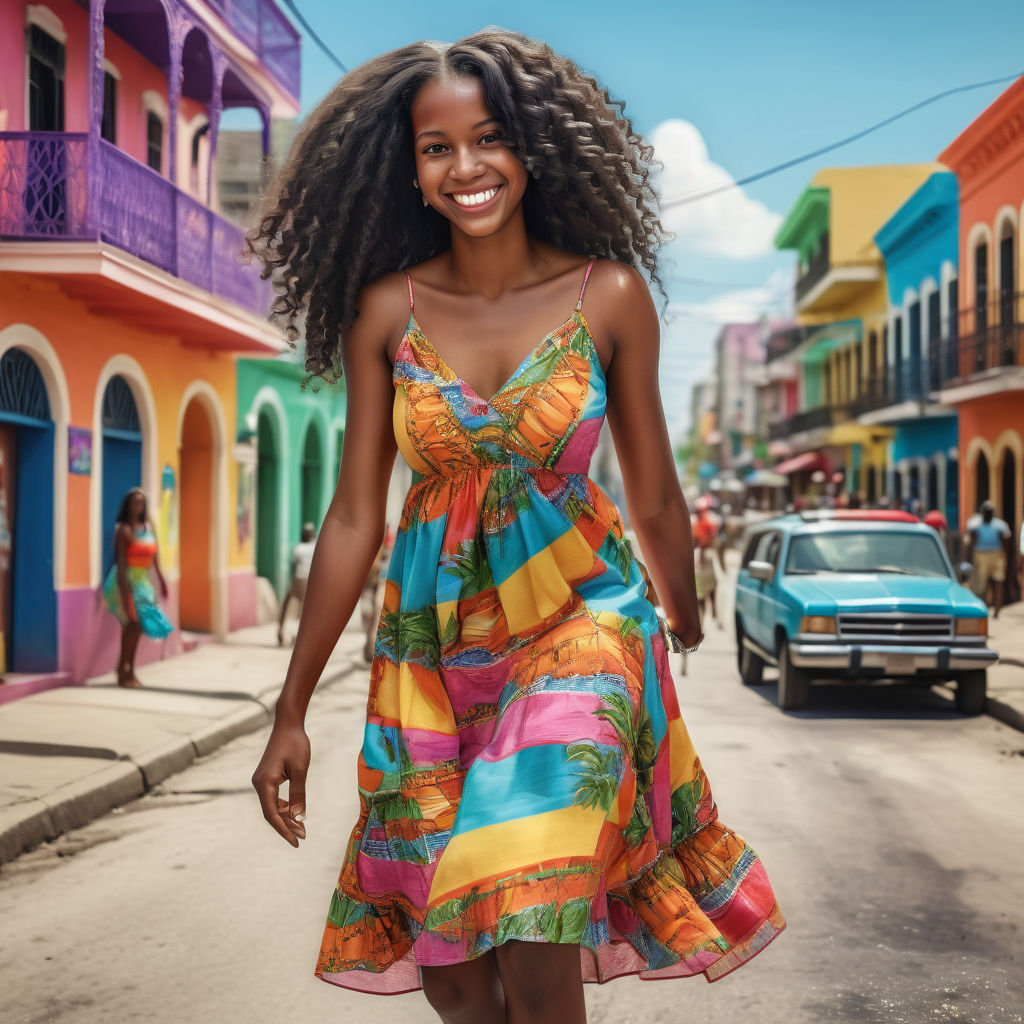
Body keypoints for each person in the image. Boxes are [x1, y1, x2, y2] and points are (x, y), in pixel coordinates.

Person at [247, 30, 784, 1021]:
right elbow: (357, 514)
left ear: (532, 147)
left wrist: (683, 612)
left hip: (581, 627)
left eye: (488, 137)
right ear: (408, 169)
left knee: (533, 907)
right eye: (436, 146)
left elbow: (656, 492)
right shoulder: (384, 313)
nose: (466, 166)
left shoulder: (607, 296)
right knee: (453, 972)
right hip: (429, 647)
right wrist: (290, 709)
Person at [102, 488, 171, 687]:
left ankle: (126, 668)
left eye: (141, 501)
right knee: (132, 625)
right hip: (126, 581)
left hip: (143, 583)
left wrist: (162, 580)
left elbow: (154, 557)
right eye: (134, 501)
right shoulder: (124, 530)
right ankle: (125, 672)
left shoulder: (148, 528)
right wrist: (125, 595)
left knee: (137, 626)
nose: (138, 505)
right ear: (128, 505)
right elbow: (121, 564)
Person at [966, 499, 1012, 617]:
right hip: (981, 555)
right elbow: (971, 541)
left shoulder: (1000, 525)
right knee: (980, 583)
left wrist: (1005, 556)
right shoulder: (976, 524)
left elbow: (1006, 541)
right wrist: (968, 558)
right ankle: (982, 608)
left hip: (997, 555)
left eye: (990, 512)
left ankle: (997, 610)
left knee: (998, 582)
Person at [278, 523, 317, 646]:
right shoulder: (315, 547)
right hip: (310, 581)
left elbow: (294, 567)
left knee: (290, 608)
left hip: (299, 579)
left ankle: (286, 636)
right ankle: (303, 639)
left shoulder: (298, 548)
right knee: (307, 611)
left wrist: (292, 584)